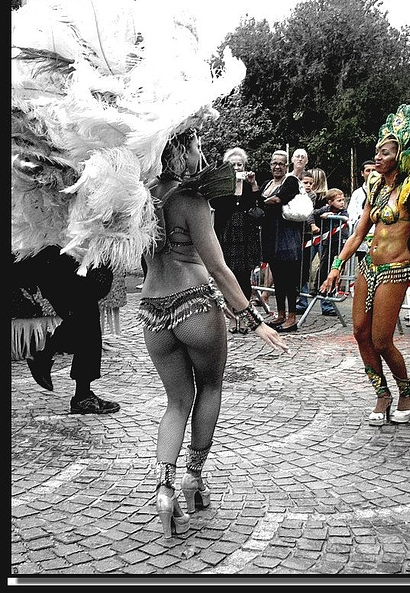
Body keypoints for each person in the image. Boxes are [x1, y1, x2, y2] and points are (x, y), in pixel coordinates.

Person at [139, 130, 289, 538]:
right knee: (209, 389)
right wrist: (254, 320)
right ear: (179, 152)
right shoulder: (192, 198)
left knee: (175, 402)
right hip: (194, 304)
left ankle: (164, 489)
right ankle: (194, 478)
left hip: (153, 308)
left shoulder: (138, 198)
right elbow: (219, 269)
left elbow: (138, 258)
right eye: (196, 147)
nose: (201, 154)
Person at [320, 103, 410, 427]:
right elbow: (359, 232)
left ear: (398, 156)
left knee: (382, 339)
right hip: (367, 267)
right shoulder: (374, 187)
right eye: (376, 152)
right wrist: (335, 266)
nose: (378, 157)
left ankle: (406, 390)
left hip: (395, 270)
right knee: (360, 333)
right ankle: (381, 393)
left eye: (384, 152)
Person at [15, 246, 121, 414]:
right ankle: (81, 394)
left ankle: (44, 358)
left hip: (60, 254)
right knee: (85, 315)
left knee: (84, 316)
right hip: (54, 255)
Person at [210, 147, 262, 334]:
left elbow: (258, 206)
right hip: (227, 233)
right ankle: (232, 318)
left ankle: (244, 317)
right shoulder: (223, 186)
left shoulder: (250, 185)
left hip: (245, 235)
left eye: (240, 164)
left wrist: (253, 185)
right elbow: (216, 204)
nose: (237, 167)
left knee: (244, 278)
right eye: (233, 165)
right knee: (228, 275)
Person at [258, 150, 303, 333]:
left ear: (287, 166)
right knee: (277, 277)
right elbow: (261, 199)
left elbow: (278, 199)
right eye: (274, 163)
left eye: (281, 163)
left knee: (289, 278)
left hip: (286, 235)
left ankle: (292, 317)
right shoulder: (267, 183)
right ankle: (281, 314)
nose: (277, 166)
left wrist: (260, 202)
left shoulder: (290, 181)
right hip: (271, 234)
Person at [312, 188, 350, 316]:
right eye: (339, 201)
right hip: (328, 243)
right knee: (323, 266)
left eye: (343, 200)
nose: (342, 203)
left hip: (340, 243)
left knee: (336, 269)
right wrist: (313, 225)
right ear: (330, 202)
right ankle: (317, 288)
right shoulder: (325, 209)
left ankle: (330, 293)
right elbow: (312, 214)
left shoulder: (343, 212)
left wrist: (331, 216)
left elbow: (345, 217)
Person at [296, 171, 317, 313]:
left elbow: (309, 211)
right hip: (295, 233)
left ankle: (302, 301)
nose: (308, 186)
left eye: (310, 183)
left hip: (307, 235)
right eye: (305, 183)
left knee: (304, 267)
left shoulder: (313, 196)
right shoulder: (295, 194)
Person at [347, 160, 376, 263]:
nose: (371, 173)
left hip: (379, 236)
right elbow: (351, 212)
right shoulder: (357, 193)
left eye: (374, 170)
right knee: (363, 267)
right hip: (363, 235)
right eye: (368, 170)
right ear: (362, 173)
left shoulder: (385, 190)